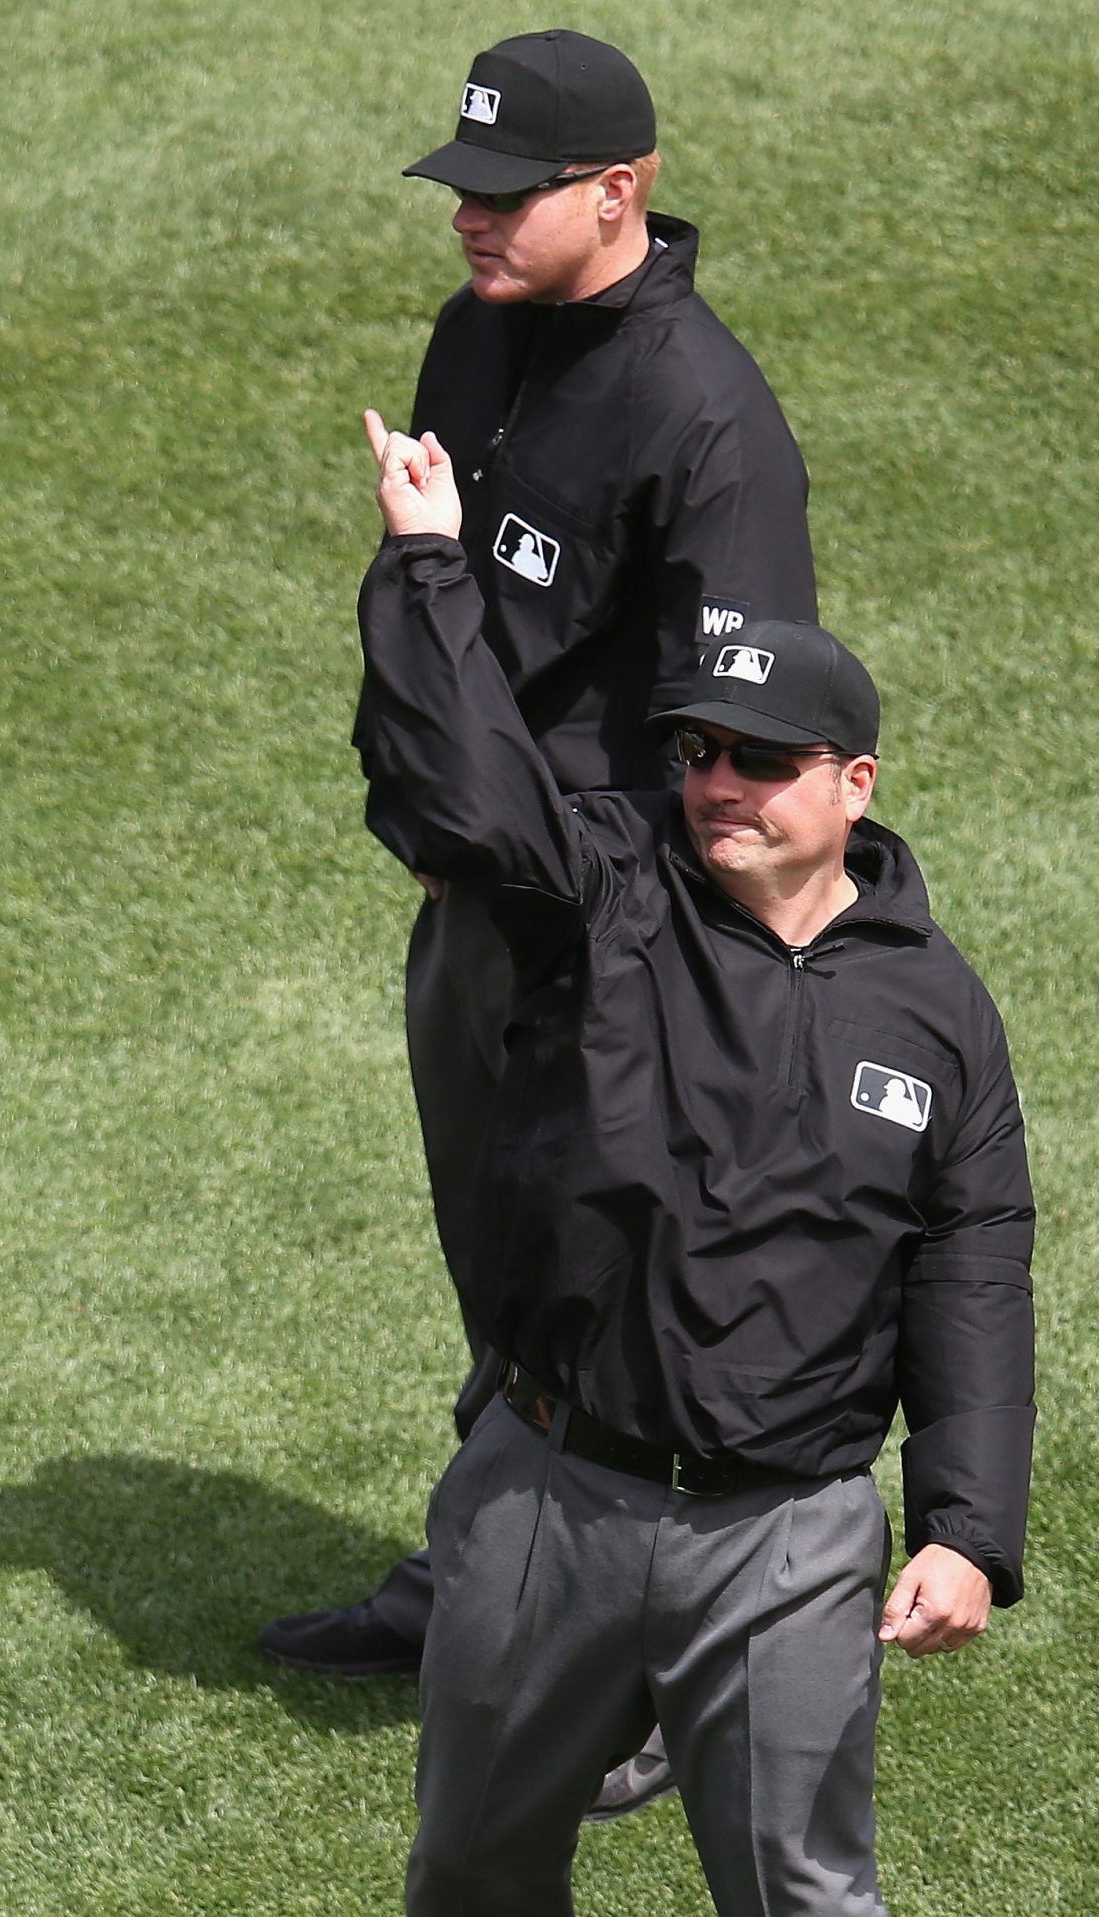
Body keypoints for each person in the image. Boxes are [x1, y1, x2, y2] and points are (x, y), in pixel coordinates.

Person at [301, 417, 1035, 1917]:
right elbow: (456, 789)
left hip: (789, 1535)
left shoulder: (932, 1016)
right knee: (465, 1847)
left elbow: (971, 1268)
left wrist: (965, 1524)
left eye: (758, 758)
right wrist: (428, 572)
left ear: (851, 787)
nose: (714, 780)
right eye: (695, 747)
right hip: (543, 1489)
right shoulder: (600, 894)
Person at [260, 30, 818, 1825]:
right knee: (499, 1266)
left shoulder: (705, 417)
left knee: (621, 1298)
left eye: (503, 198)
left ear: (619, 193)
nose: (470, 223)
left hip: (619, 936)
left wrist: (689, 966)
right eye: (461, 193)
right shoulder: (480, 333)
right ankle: (476, 1577)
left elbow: (736, 730)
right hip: (475, 904)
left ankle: (648, 1663)